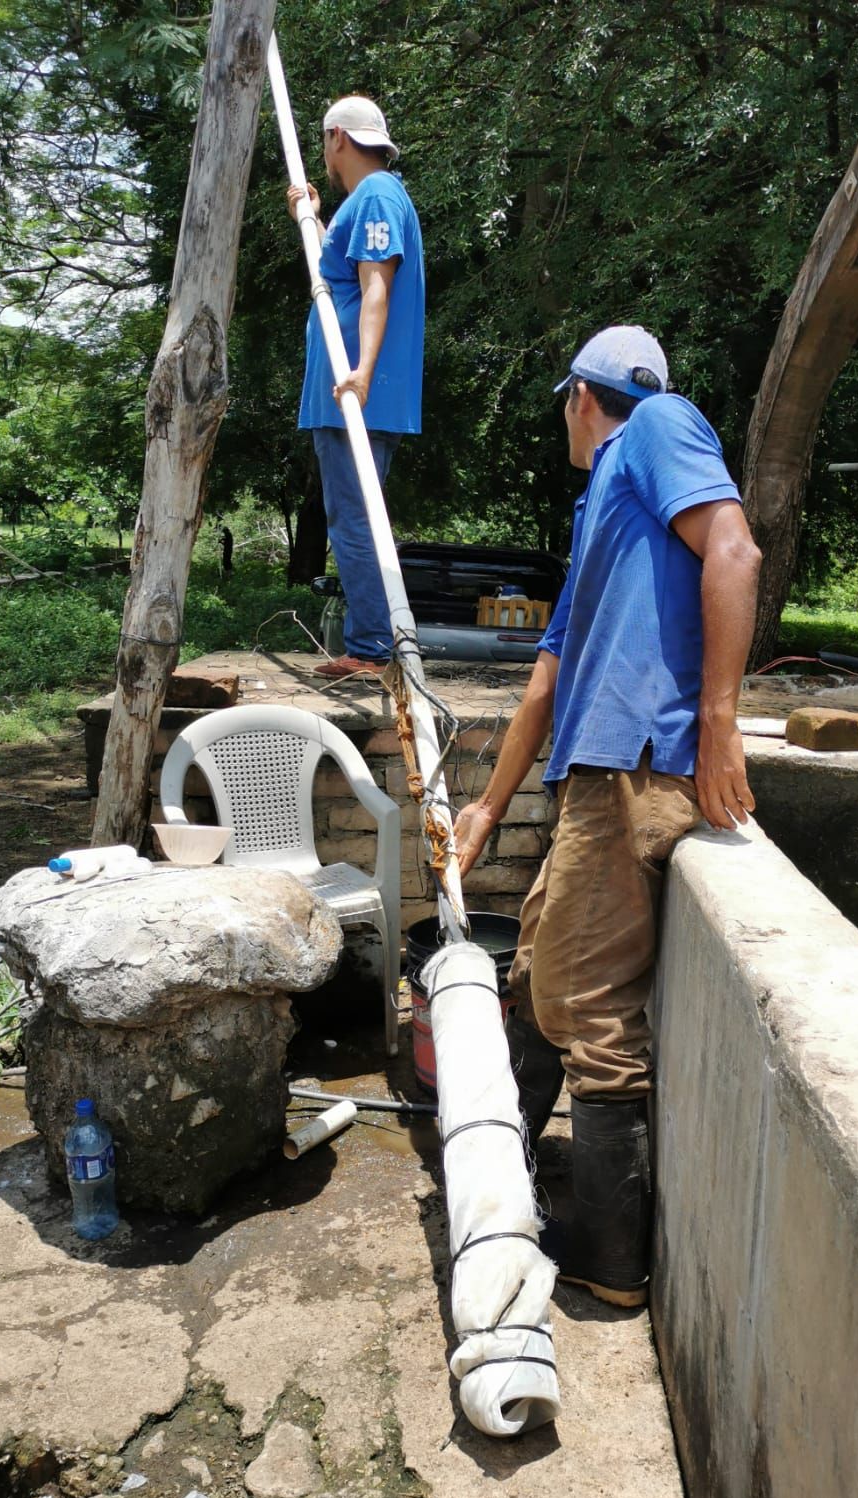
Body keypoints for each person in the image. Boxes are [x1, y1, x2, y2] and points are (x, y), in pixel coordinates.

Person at [454, 326, 761, 1307]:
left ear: (584, 398)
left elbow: (734, 547)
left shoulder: (659, 427)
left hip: (634, 765)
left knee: (588, 1012)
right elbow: (546, 680)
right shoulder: (603, 512)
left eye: (563, 404)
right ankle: (499, 1182)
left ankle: (610, 1261)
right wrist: (488, 808)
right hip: (590, 773)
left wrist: (717, 724)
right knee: (539, 972)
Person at [287, 96, 425, 679]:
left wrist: (362, 372)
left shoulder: (376, 196)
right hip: (350, 391)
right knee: (351, 516)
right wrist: (315, 219)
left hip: (357, 392)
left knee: (353, 519)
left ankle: (369, 647)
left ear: (337, 137)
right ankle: (370, 642)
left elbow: (375, 288)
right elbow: (341, 273)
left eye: (323, 141)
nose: (322, 153)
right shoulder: (365, 202)